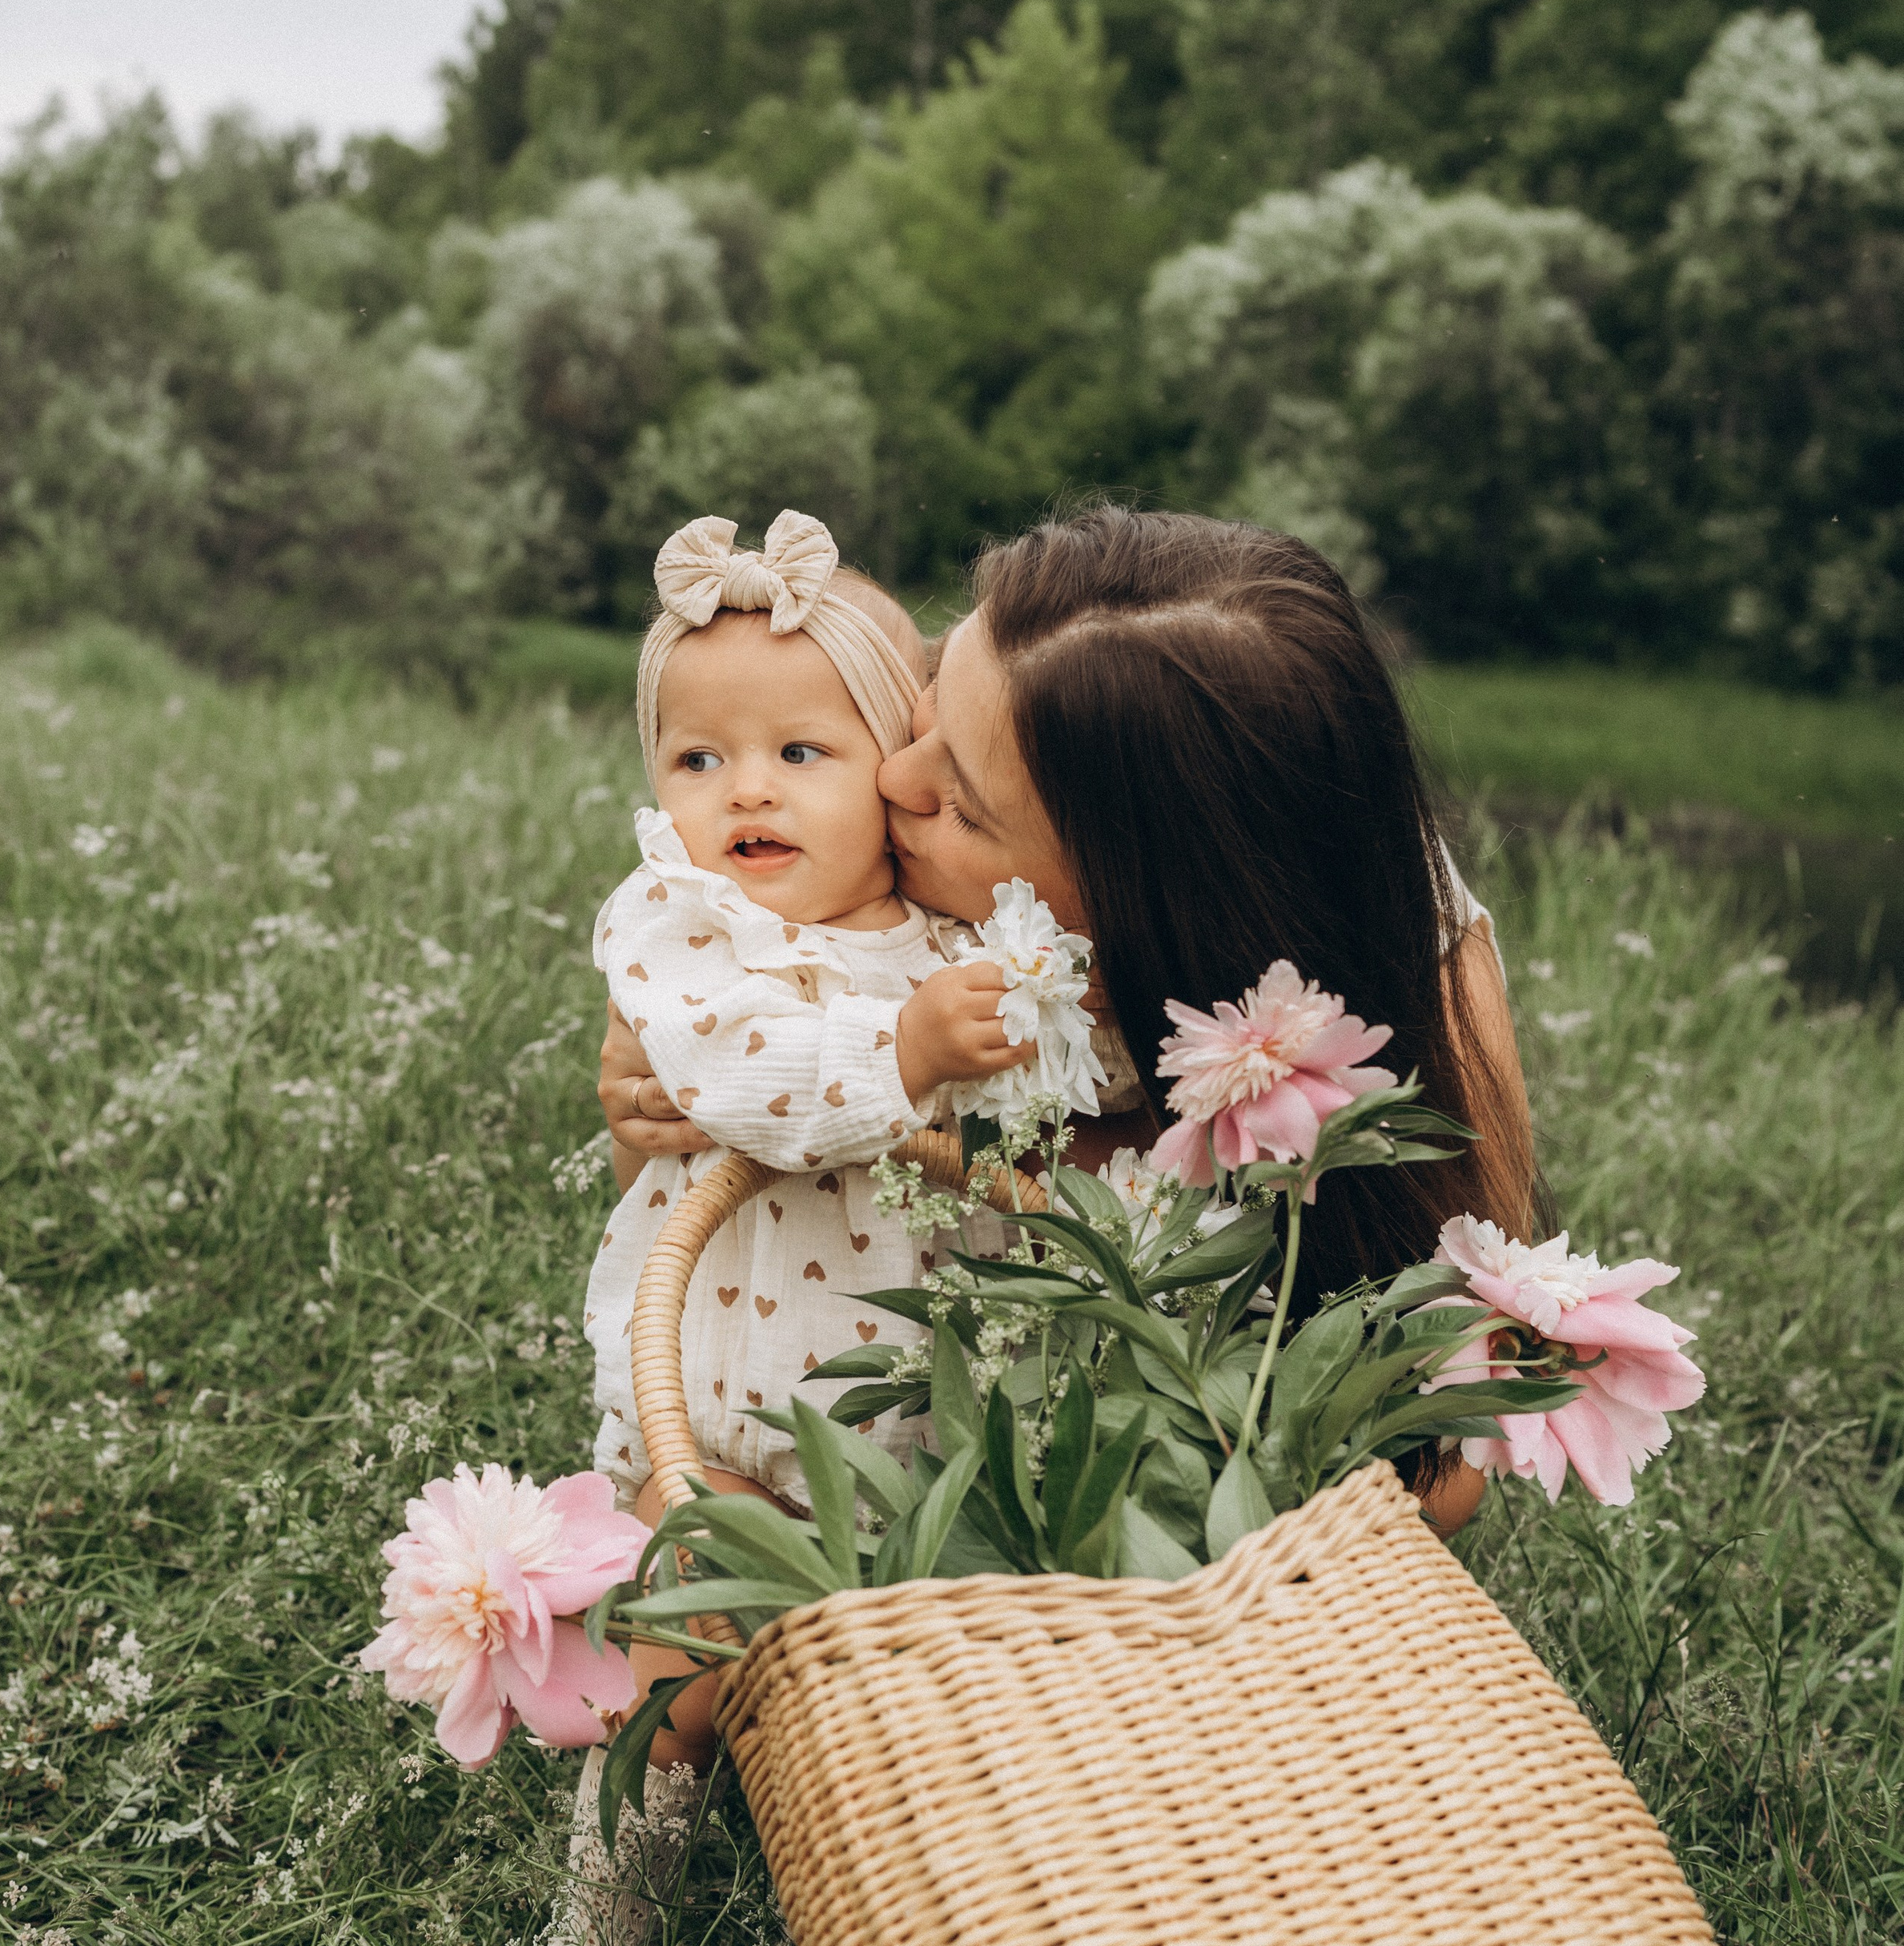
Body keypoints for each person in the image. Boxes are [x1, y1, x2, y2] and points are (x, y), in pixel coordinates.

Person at [601, 506, 1537, 1535]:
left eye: (960, 804)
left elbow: (1434, 1451)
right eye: (921, 707)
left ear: (1135, 913)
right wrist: (686, 1090)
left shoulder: (1400, 958)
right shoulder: (807, 931)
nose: (887, 778)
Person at [584, 506, 1030, 1520]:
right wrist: (907, 1049)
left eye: (799, 754)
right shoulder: (684, 924)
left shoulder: (951, 936)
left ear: (895, 767)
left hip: (913, 1410)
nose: (746, 792)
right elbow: (739, 1076)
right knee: (688, 1595)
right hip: (713, 1406)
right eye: (698, 761)